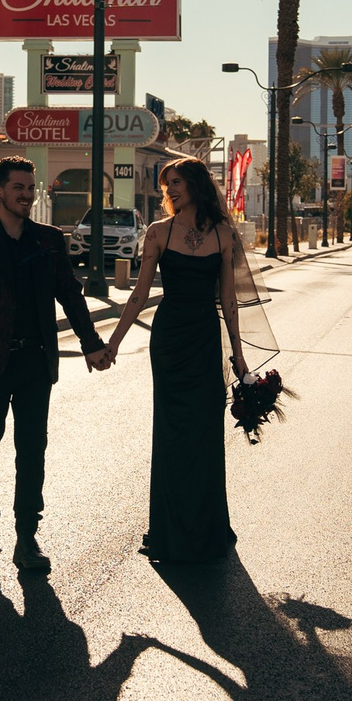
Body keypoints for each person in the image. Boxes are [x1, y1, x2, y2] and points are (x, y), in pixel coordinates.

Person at [0, 155, 109, 572]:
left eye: (30, 187)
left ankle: (27, 536)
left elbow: (70, 295)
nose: (26, 194)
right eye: (18, 187)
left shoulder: (49, 239)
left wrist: (91, 344)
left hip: (36, 361)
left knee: (32, 449)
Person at [101, 156, 250, 563]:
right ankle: (168, 529)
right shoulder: (158, 232)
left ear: (198, 185)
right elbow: (138, 294)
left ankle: (207, 526)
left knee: (204, 431)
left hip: (204, 339)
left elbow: (229, 300)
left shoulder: (223, 234)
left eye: (177, 182)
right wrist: (113, 344)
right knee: (171, 433)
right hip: (168, 344)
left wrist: (238, 355)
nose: (170, 190)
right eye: (167, 184)